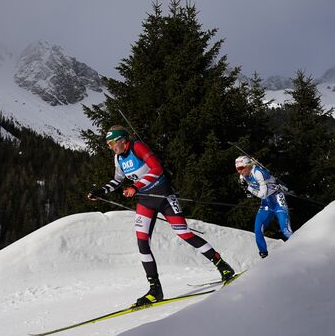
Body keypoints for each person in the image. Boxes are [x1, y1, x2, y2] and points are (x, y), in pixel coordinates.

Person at [88, 125, 235, 306]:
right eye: (108, 144)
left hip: (163, 196)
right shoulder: (118, 158)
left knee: (184, 233)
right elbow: (117, 180)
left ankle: (222, 266)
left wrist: (135, 187)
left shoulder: (137, 147)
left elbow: (157, 169)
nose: (110, 146)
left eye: (111, 143)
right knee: (142, 243)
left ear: (122, 140)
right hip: (146, 201)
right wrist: (101, 191)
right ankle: (155, 289)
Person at [235, 155, 292, 258]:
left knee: (285, 231)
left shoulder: (258, 173)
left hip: (277, 201)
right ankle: (264, 255)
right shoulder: (243, 176)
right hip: (266, 203)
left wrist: (248, 188)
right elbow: (252, 194)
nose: (239, 171)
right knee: (258, 230)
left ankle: (300, 248)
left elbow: (262, 194)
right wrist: (248, 191)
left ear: (248, 166)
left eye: (241, 168)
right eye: (237, 169)